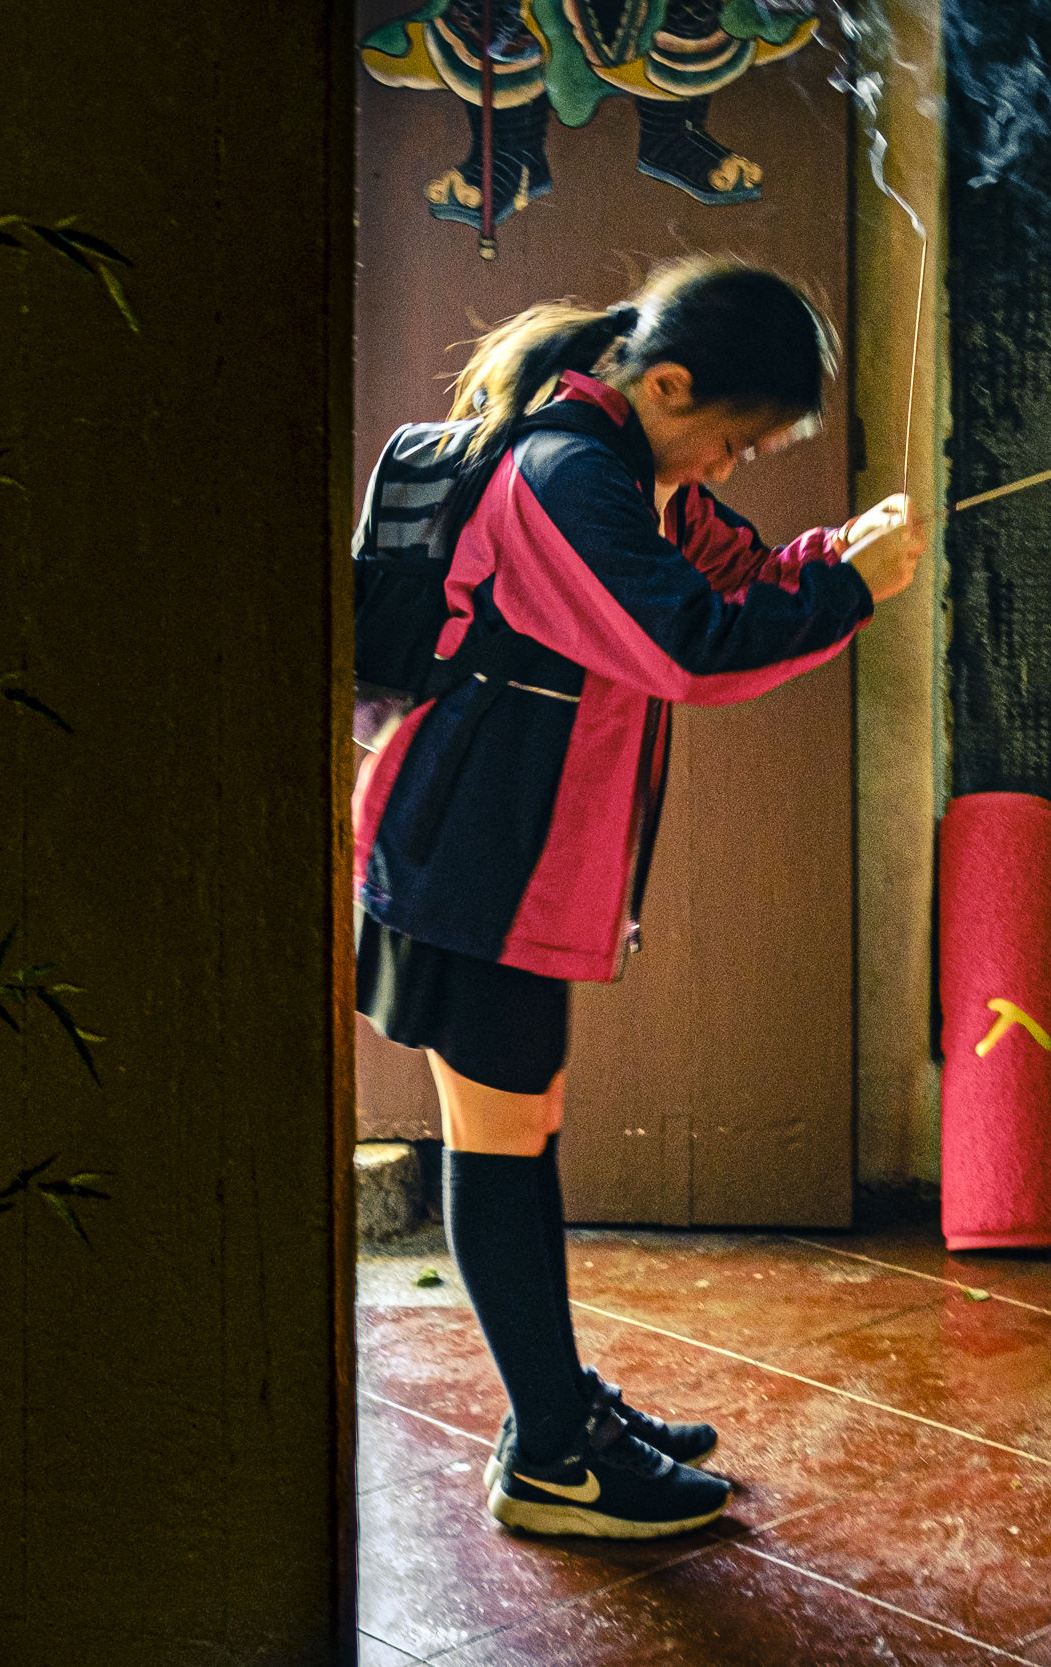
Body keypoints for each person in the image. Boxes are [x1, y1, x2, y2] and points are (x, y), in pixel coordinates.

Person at [351, 255, 924, 1539]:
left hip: (505, 857)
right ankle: (553, 1457)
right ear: (664, 382)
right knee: (501, 1141)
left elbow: (736, 578)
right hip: (467, 857)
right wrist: (850, 590)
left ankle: (552, 1407)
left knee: (523, 1124)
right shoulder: (570, 475)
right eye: (729, 438)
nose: (728, 468)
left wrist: (836, 559)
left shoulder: (635, 463)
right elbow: (684, 646)